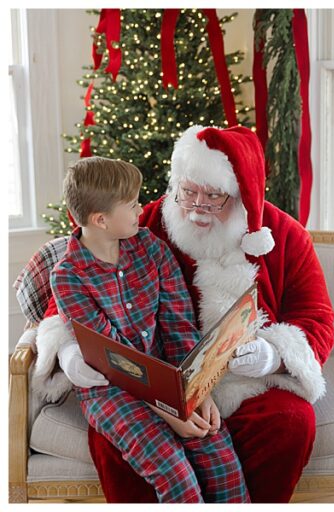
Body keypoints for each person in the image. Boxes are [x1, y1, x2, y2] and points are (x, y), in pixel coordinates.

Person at [34, 126, 334, 502]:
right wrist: (73, 351)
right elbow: (64, 304)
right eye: (187, 192)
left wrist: (272, 356)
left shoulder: (286, 236)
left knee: (289, 423)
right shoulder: (143, 226)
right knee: (118, 445)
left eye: (212, 197)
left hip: (247, 384)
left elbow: (317, 318)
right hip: (145, 380)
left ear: (242, 194)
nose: (195, 208)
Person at [48, 157, 248, 503]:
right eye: (132, 204)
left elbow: (178, 324)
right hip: (109, 389)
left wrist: (198, 391)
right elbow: (112, 357)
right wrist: (169, 412)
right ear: (101, 220)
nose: (142, 208)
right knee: (175, 474)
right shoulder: (68, 277)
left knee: (221, 461)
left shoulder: (151, 248)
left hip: (170, 375)